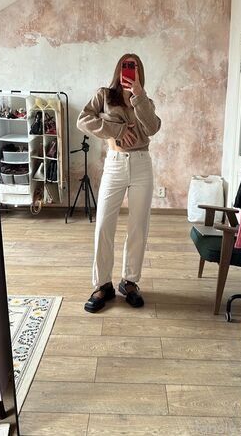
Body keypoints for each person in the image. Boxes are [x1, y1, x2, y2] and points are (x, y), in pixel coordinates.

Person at [77, 53, 161, 313]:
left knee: (138, 226)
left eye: (134, 67)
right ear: (119, 70)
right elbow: (83, 120)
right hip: (115, 164)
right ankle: (103, 284)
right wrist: (117, 131)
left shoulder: (145, 101)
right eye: (126, 66)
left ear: (140, 73)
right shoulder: (104, 95)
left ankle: (129, 281)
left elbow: (153, 127)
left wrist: (139, 96)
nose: (130, 70)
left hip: (142, 165)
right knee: (104, 223)